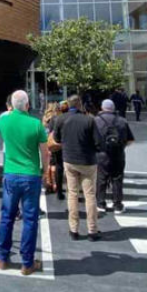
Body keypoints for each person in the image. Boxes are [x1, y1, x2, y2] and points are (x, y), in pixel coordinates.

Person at [0, 90, 49, 276]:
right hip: (30, 175)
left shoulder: (3, 121)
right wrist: (45, 171)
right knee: (30, 219)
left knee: (7, 217)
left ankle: (2, 258)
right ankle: (27, 263)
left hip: (10, 174)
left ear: (10, 105)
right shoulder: (36, 124)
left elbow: (7, 118)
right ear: (28, 105)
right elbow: (45, 152)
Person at [53, 95, 103, 241]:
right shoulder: (89, 120)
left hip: (69, 159)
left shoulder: (61, 119)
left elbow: (56, 139)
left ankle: (73, 229)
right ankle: (92, 230)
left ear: (68, 105)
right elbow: (98, 143)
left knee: (72, 194)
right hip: (88, 160)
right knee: (90, 195)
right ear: (80, 104)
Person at [95, 100, 135, 214]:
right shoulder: (122, 121)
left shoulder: (96, 120)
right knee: (117, 179)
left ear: (102, 108)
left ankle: (101, 203)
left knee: (101, 178)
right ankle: (117, 204)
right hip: (118, 154)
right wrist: (121, 146)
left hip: (101, 154)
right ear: (113, 108)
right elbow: (130, 139)